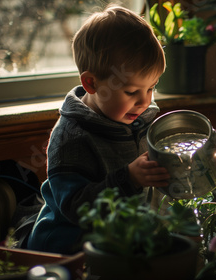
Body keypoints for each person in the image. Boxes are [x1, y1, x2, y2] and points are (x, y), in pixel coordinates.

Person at [27, 5, 170, 254]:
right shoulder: (71, 137)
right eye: (131, 92)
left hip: (121, 244)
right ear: (91, 83)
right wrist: (129, 179)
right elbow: (76, 208)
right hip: (69, 251)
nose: (145, 101)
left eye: (151, 88)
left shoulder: (141, 118)